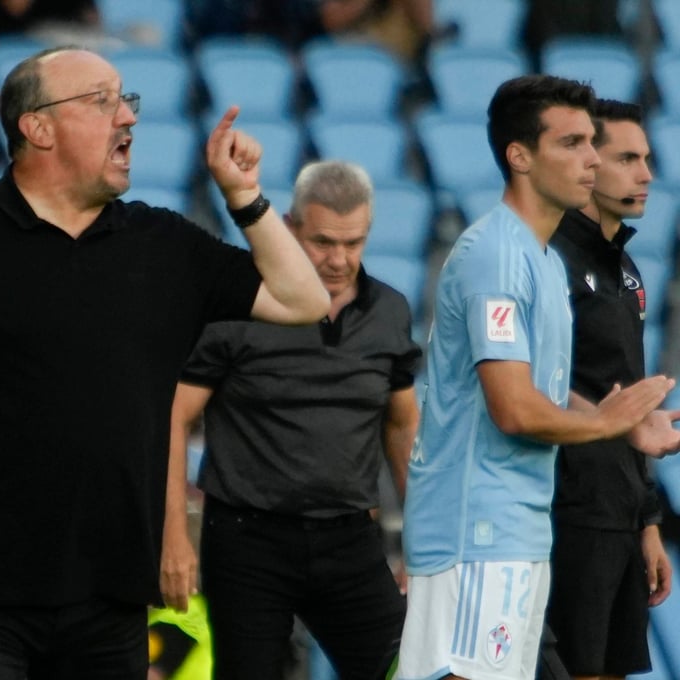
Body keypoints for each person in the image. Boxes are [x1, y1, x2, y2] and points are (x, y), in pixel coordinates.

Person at [0, 46, 330, 678]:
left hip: (110, 599)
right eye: (101, 101)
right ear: (38, 127)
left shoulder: (162, 244)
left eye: (126, 100)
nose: (128, 117)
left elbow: (303, 300)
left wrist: (244, 197)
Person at [395, 75, 675, 680]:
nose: (592, 159)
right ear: (520, 156)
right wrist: (603, 423)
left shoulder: (542, 259)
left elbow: (542, 386)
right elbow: (515, 408)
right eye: (572, 143)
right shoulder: (495, 254)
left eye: (592, 143)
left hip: (518, 532)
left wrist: (621, 425)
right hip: (474, 534)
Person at [163, 160, 419, 680]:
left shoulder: (390, 312)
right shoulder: (238, 308)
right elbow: (175, 416)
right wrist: (174, 537)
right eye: (323, 242)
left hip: (350, 537)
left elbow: (401, 425)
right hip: (247, 540)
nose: (339, 259)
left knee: (408, 670)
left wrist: (421, 543)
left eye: (354, 243)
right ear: (289, 226)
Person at [546, 99, 678, 680]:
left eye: (646, 159)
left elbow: (631, 403)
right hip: (568, 514)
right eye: (627, 159)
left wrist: (647, 521)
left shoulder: (626, 269)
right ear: (587, 162)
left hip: (620, 513)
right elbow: (534, 384)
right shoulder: (549, 261)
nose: (646, 174)